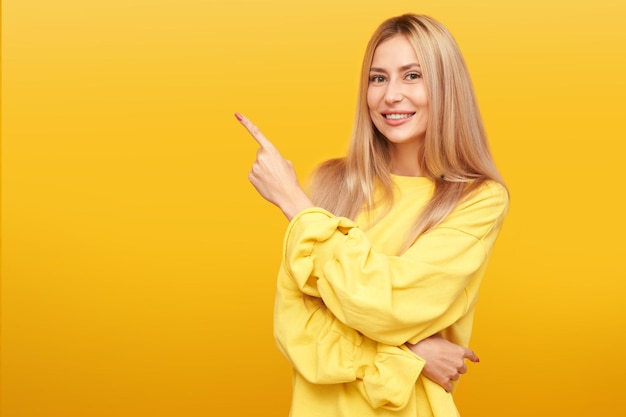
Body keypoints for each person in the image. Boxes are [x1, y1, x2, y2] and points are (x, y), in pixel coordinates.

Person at [235, 13, 508, 417]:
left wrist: (294, 204)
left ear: (446, 86)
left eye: (412, 75)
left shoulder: (476, 200)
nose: (390, 95)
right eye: (378, 78)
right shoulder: (331, 185)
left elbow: (387, 304)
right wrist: (412, 354)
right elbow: (295, 328)